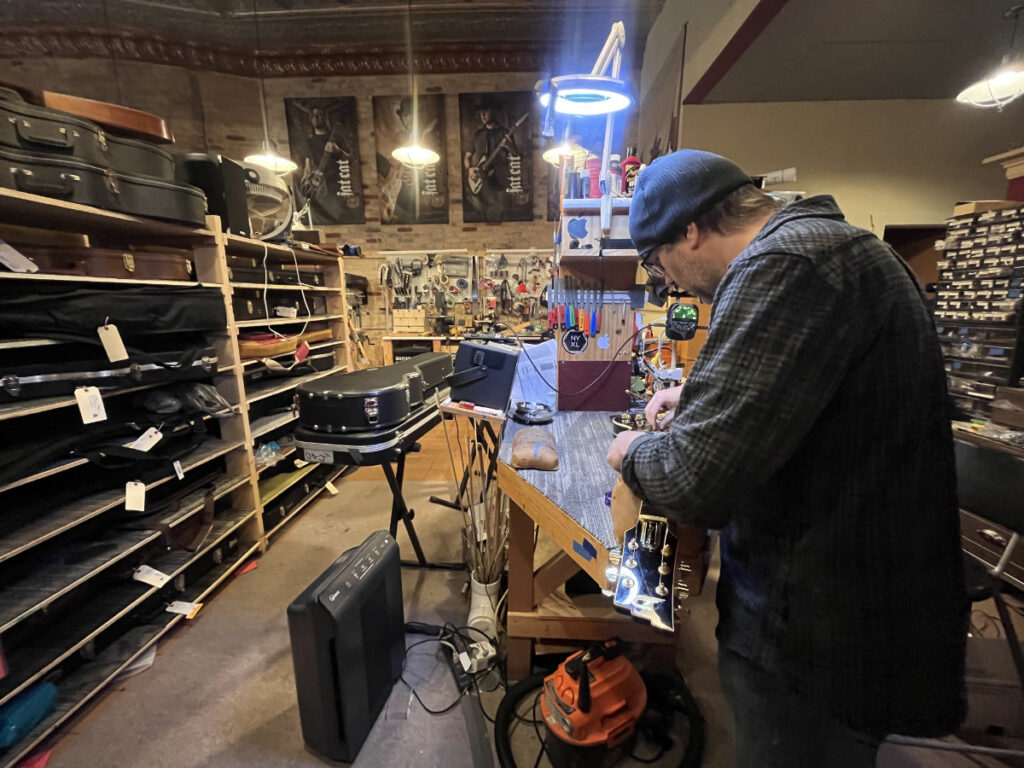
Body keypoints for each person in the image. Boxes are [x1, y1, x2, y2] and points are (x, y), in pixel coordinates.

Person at [606, 149, 967, 767]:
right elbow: (823, 392)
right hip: (856, 619)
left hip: (817, 638)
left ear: (689, 230)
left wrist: (631, 451)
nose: (664, 281)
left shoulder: (784, 267)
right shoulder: (836, 248)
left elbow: (694, 482)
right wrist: (697, 392)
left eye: (655, 261)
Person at [464, 96, 519, 221]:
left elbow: (516, 155)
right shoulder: (477, 135)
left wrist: (509, 146)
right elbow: (467, 157)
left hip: (500, 180)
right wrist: (469, 169)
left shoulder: (504, 133)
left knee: (503, 211)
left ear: (493, 112)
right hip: (482, 180)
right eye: (481, 112)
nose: (482, 115)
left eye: (486, 111)